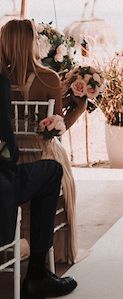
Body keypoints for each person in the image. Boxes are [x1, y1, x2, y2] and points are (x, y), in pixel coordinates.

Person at [0, 19, 85, 264]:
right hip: (38, 154)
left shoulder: (3, 78)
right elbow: (56, 130)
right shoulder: (48, 78)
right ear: (31, 43)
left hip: (7, 156)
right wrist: (77, 108)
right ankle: (46, 260)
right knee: (58, 171)